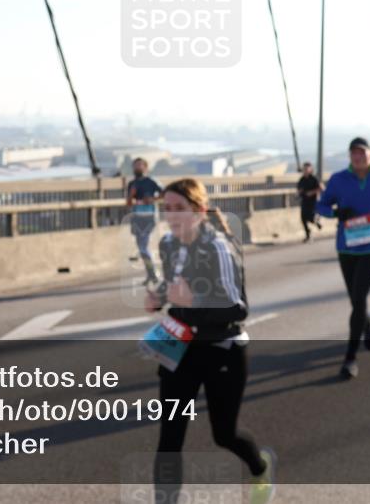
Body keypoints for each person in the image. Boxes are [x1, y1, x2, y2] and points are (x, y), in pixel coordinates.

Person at [143, 178, 275, 504]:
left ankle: (259, 467)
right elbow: (176, 285)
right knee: (170, 437)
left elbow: (237, 308)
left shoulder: (219, 247)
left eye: (180, 209)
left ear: (199, 211)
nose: (172, 216)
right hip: (180, 348)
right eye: (167, 209)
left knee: (224, 434)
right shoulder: (168, 244)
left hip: (223, 351)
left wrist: (192, 300)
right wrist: (159, 297)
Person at [316, 137, 370, 379]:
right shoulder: (338, 180)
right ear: (349, 157)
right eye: (354, 153)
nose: (358, 157)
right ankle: (369, 320)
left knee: (360, 295)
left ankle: (350, 357)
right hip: (347, 246)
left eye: (362, 153)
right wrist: (335, 212)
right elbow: (320, 206)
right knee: (356, 301)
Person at [127, 158, 163, 285]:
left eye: (139, 166)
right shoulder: (132, 184)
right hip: (137, 217)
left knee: (143, 246)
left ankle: (153, 273)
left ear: (145, 167)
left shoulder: (151, 182)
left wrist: (152, 199)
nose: (137, 168)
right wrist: (131, 195)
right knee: (141, 247)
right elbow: (128, 203)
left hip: (149, 217)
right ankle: (151, 274)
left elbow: (164, 193)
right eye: (135, 166)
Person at [297, 162, 322, 241]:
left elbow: (321, 188)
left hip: (313, 202)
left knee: (311, 218)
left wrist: (312, 192)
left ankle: (316, 221)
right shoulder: (301, 179)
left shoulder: (314, 179)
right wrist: (299, 192)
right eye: (304, 169)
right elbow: (299, 189)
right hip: (304, 202)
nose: (305, 170)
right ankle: (308, 235)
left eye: (307, 169)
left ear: (310, 169)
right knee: (303, 219)